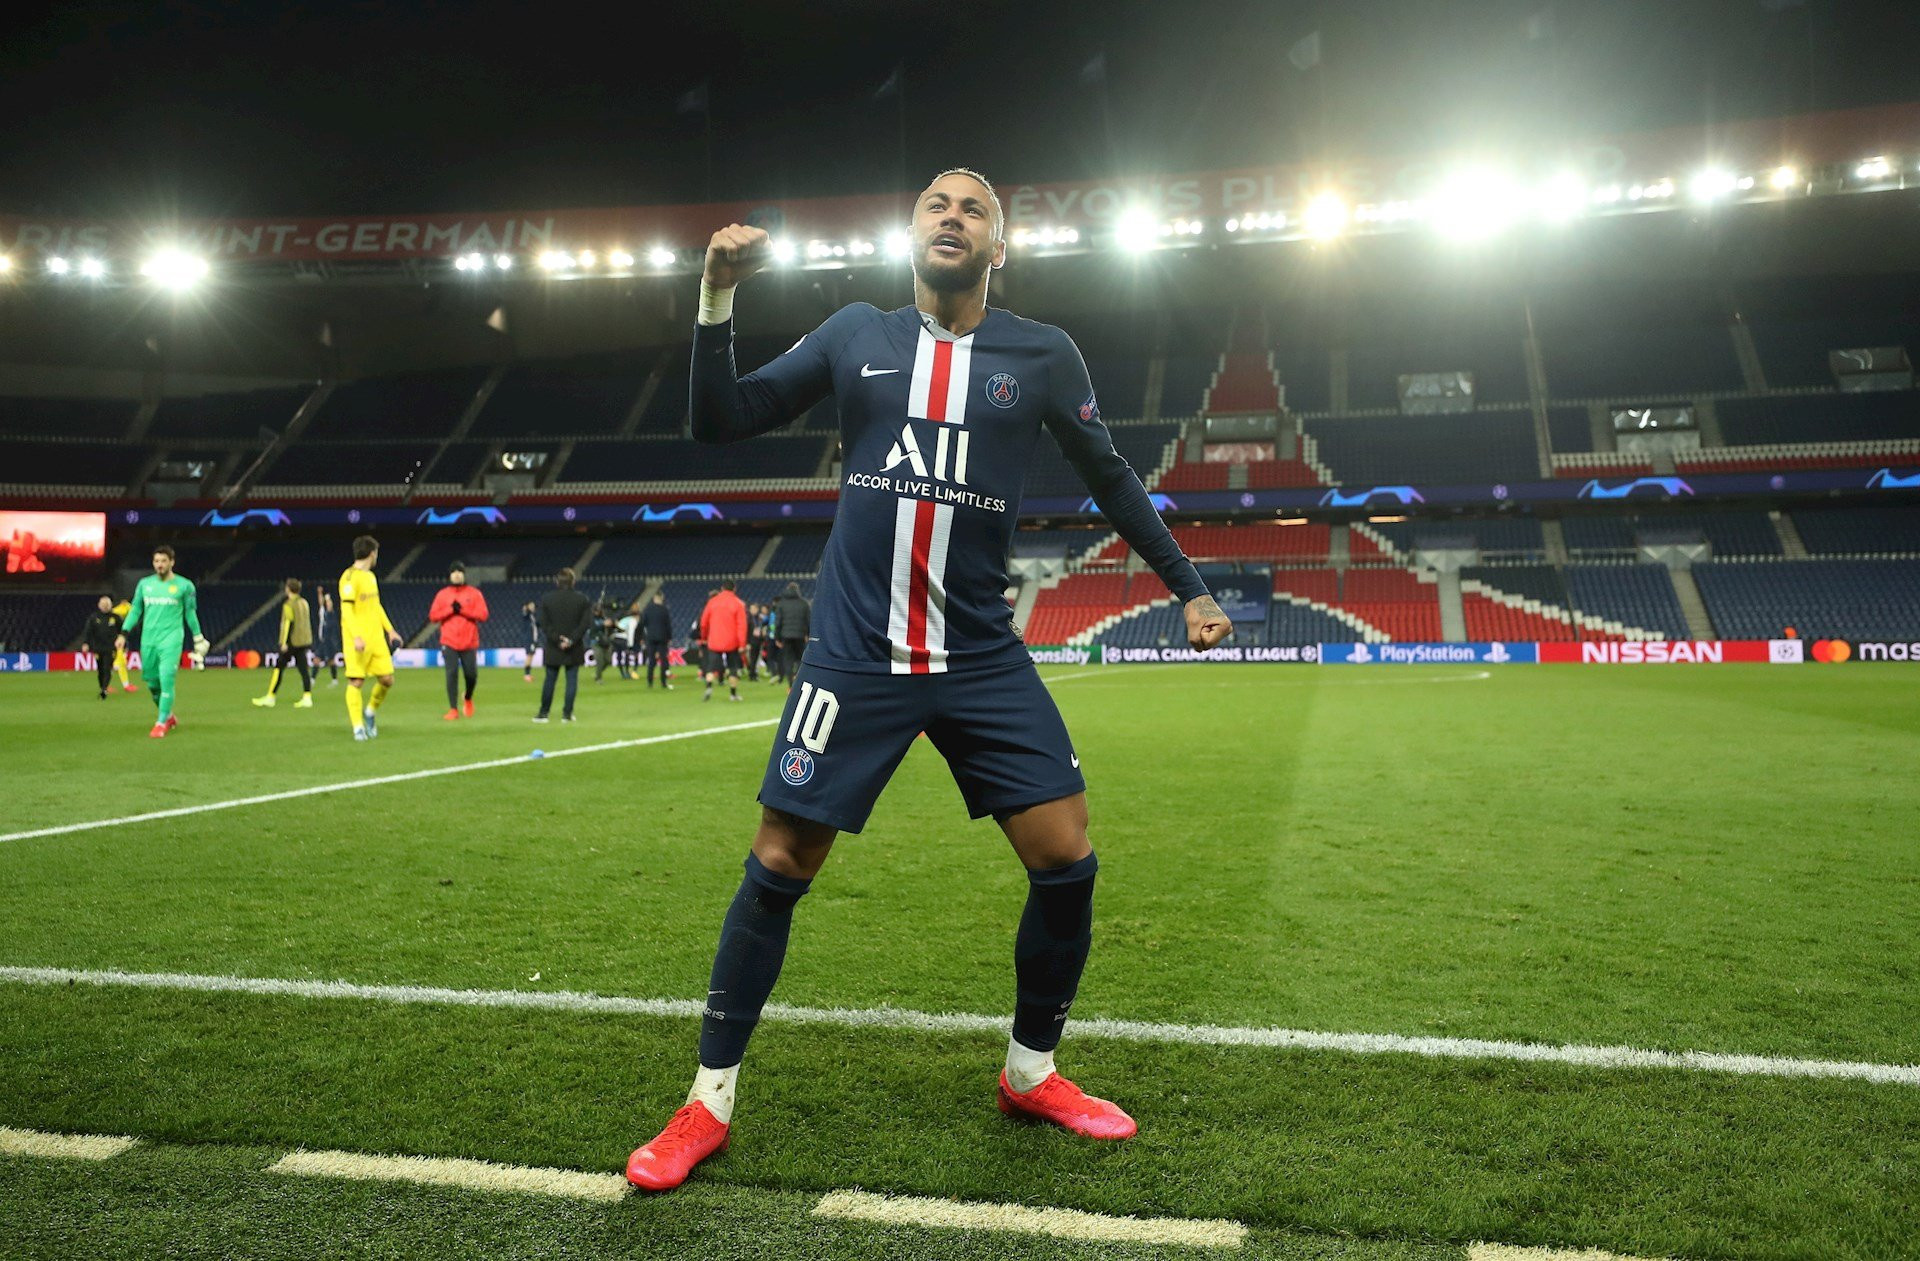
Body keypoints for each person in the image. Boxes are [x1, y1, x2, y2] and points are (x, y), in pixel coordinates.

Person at [623, 169, 1231, 1193]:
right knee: (781, 857)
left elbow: (1109, 473)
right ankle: (706, 1101)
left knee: (1066, 855)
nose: (952, 216)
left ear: (1001, 248)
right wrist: (716, 294)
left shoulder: (1042, 355)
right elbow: (720, 421)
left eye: (973, 209)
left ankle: (1031, 1070)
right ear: (910, 233)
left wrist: (1188, 586)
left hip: (980, 654)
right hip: (856, 654)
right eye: (936, 204)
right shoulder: (856, 334)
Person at [115, 544, 211, 739]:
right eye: (156, 561)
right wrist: (123, 633)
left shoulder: (185, 586)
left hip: (172, 638)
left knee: (167, 677)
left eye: (163, 561)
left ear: (172, 562)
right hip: (149, 639)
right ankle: (168, 715)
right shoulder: (145, 584)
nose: (159, 565)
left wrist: (198, 637)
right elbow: (136, 610)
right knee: (152, 684)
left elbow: (190, 613)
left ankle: (160, 723)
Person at [339, 535, 403, 741]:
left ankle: (370, 712)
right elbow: (346, 611)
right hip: (356, 640)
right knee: (356, 681)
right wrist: (356, 636)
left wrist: (390, 630)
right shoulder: (349, 577)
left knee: (387, 679)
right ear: (372, 553)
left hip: (375, 638)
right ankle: (357, 727)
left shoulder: (371, 577)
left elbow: (376, 606)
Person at [429, 562, 490, 720]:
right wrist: (450, 610)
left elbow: (483, 615)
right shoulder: (442, 595)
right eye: (454, 572)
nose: (457, 574)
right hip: (449, 641)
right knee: (451, 673)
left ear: (464, 574)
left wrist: (462, 610)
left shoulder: (474, 593)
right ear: (450, 575)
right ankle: (453, 709)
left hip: (469, 641)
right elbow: (433, 616)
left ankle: (468, 697)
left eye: (460, 571)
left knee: (471, 675)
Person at [535, 568, 593, 723]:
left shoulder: (547, 599)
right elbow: (585, 623)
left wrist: (557, 639)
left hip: (554, 647)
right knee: (572, 680)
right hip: (574, 648)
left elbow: (543, 623)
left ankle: (543, 713)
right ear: (573, 582)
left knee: (549, 680)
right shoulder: (582, 599)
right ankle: (567, 714)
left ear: (557, 581)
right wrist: (571, 640)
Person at [252, 578, 315, 709]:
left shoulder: (288, 604)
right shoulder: (304, 602)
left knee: (279, 667)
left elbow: (288, 623)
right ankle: (307, 697)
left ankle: (270, 697)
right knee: (303, 669)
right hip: (304, 640)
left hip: (292, 641)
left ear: (288, 589)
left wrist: (284, 643)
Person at [697, 580, 748, 703]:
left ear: (721, 588)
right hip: (732, 642)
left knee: (710, 667)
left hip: (715, 640)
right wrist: (742, 644)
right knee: (733, 668)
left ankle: (709, 686)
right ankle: (733, 694)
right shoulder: (738, 604)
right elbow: (742, 625)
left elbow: (703, 622)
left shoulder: (712, 602)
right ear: (734, 589)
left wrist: (703, 637)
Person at [81, 596, 121, 699]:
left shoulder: (115, 617)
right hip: (97, 648)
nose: (105, 606)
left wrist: (123, 643)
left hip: (111, 648)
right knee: (100, 669)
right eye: (103, 604)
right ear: (99, 605)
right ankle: (102, 687)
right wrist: (86, 643)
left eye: (107, 604)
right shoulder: (94, 617)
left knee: (107, 668)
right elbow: (88, 632)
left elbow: (122, 631)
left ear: (110, 605)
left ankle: (104, 689)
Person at [772, 582, 810, 689]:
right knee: (800, 659)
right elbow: (809, 621)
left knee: (788, 660)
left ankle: (790, 685)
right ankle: (798, 681)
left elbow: (777, 623)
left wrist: (777, 638)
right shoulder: (804, 603)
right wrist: (808, 634)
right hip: (800, 636)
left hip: (786, 636)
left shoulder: (781, 604)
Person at [641, 592, 675, 689]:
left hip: (651, 637)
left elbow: (643, 623)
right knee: (663, 660)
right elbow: (668, 625)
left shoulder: (647, 609)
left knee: (651, 660)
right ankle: (663, 682)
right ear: (661, 598)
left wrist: (643, 637)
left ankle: (650, 682)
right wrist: (669, 637)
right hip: (662, 638)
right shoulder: (664, 610)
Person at [314, 587, 340, 686]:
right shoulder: (322, 612)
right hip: (322, 641)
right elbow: (321, 603)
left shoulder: (331, 614)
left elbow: (329, 605)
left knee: (331, 661)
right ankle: (312, 679)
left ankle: (334, 680)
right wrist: (320, 593)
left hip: (328, 641)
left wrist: (327, 598)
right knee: (316, 660)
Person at [110, 598, 136, 692]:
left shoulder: (116, 611)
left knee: (120, 661)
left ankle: (106, 685)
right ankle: (125, 685)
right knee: (120, 662)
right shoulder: (117, 611)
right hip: (117, 639)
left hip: (121, 638)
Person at [522, 600, 541, 682]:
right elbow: (524, 611)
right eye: (531, 606)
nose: (533, 607)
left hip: (533, 639)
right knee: (529, 656)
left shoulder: (532, 617)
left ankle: (528, 674)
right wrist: (526, 608)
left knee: (531, 655)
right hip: (529, 639)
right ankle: (526, 675)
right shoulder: (527, 615)